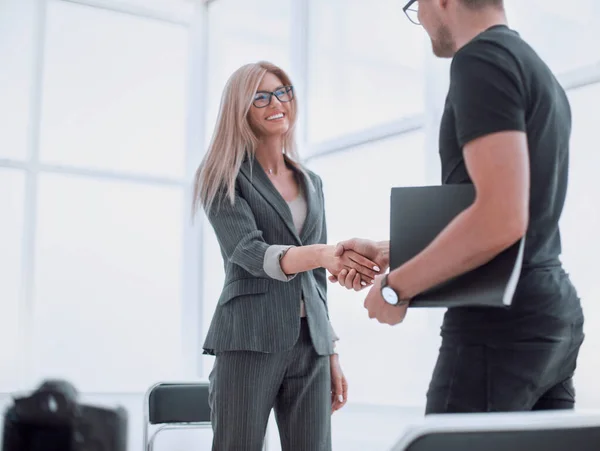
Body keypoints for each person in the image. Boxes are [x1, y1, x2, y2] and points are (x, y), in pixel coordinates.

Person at [332, 0, 585, 413]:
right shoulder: (534, 68)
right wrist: (392, 249)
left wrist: (397, 289)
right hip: (549, 317)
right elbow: (502, 208)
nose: (422, 21)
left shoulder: (480, 61)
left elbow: (501, 218)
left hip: (499, 323)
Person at [192, 61, 381, 450]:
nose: (276, 102)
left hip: (309, 343)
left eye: (283, 92)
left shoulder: (312, 182)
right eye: (260, 96)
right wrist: (325, 254)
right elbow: (249, 252)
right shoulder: (223, 175)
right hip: (248, 338)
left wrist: (329, 350)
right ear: (240, 109)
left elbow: (316, 282)